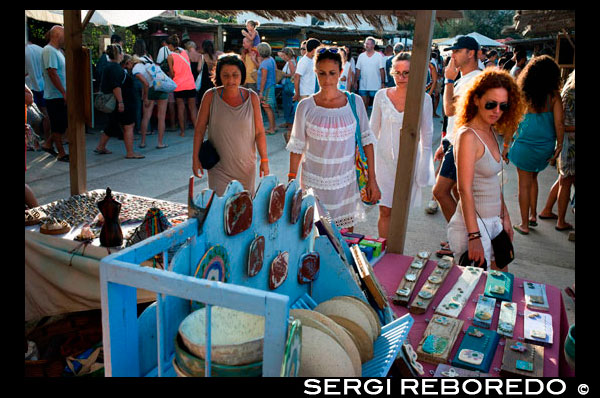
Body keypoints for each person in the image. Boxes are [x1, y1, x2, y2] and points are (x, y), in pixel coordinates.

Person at [286, 46, 381, 230]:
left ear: (341, 72)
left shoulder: (355, 102)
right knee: (313, 235)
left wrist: (372, 181)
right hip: (313, 184)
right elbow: (297, 148)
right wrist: (291, 184)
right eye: (322, 73)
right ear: (315, 72)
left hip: (346, 184)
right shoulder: (305, 106)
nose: (327, 79)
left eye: (332, 73)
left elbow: (367, 142)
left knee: (344, 238)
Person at [448, 68, 526, 270]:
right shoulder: (468, 136)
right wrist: (473, 236)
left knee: (500, 286)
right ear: (475, 100)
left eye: (503, 105)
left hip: (494, 224)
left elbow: (493, 182)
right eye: (491, 104)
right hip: (473, 227)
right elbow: (463, 189)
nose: (497, 111)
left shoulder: (490, 130)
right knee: (474, 294)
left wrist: (505, 218)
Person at [371, 52, 435, 238]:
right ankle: (383, 251)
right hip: (383, 163)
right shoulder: (381, 96)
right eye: (397, 72)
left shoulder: (425, 100)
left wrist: (423, 170)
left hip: (408, 163)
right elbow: (372, 132)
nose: (401, 77)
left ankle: (395, 253)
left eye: (406, 73)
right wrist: (369, 168)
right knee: (385, 211)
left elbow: (427, 137)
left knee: (400, 213)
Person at [431, 35, 482, 257]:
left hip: (463, 144)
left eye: (457, 50)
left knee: (440, 192)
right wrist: (446, 141)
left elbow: (450, 110)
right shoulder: (467, 78)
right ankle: (463, 239)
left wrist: (449, 80)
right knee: (455, 193)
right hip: (456, 141)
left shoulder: (474, 79)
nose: (452, 55)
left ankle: (459, 241)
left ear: (470, 53)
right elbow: (455, 117)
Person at [192, 54, 269, 196]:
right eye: (225, 75)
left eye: (235, 75)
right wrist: (195, 158)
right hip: (218, 168)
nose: (231, 80)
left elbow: (259, 132)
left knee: (243, 209)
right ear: (219, 76)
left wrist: (264, 160)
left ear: (242, 75)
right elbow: (199, 130)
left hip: (246, 168)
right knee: (220, 208)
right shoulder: (210, 96)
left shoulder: (251, 97)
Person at [504, 55, 564, 235]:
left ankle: (524, 225)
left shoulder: (522, 94)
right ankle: (532, 216)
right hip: (544, 148)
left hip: (524, 147)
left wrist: (506, 146)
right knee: (533, 179)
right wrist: (559, 145)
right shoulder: (554, 96)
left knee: (524, 184)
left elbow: (512, 123)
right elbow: (559, 123)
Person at [539, 69, 575, 233]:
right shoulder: (572, 93)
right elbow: (562, 123)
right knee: (566, 181)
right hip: (570, 142)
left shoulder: (568, 89)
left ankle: (547, 209)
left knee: (563, 179)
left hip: (566, 141)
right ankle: (561, 220)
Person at [95, 46, 144, 159]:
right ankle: (130, 152)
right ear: (119, 54)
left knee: (112, 124)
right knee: (129, 126)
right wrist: (121, 102)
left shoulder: (108, 67)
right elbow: (116, 86)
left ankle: (101, 146)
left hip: (115, 102)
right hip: (121, 102)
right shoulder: (115, 68)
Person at [41, 25, 69, 162]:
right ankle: (61, 153)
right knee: (58, 125)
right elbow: (52, 72)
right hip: (55, 95)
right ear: (58, 35)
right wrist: (63, 92)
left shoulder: (58, 51)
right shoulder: (49, 50)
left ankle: (47, 144)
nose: (65, 39)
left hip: (59, 94)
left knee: (62, 124)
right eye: (64, 35)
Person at [132, 55, 168, 149]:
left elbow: (145, 84)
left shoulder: (136, 69)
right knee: (161, 117)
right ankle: (160, 143)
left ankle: (143, 142)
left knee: (146, 116)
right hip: (161, 86)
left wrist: (145, 97)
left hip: (151, 89)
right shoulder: (149, 60)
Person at [166, 34, 197, 138]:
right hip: (190, 83)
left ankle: (183, 131)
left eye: (168, 45)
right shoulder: (185, 52)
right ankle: (197, 130)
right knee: (193, 108)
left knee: (180, 108)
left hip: (179, 85)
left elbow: (172, 73)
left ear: (170, 45)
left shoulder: (170, 57)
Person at [355, 37, 386, 112]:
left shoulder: (378, 56)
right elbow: (358, 70)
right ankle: (364, 121)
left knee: (376, 107)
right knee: (363, 105)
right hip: (363, 85)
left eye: (368, 44)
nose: (366, 45)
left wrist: (383, 83)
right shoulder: (361, 56)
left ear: (373, 45)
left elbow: (382, 70)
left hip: (375, 85)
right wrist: (356, 82)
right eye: (366, 43)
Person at [256, 42, 277, 135]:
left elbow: (263, 79)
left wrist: (260, 92)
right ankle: (273, 126)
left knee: (267, 107)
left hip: (266, 88)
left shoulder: (265, 63)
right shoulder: (271, 59)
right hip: (270, 86)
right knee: (269, 108)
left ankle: (272, 128)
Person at [294, 38, 321, 103]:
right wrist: (297, 93)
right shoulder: (303, 61)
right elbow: (296, 77)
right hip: (304, 94)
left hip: (311, 93)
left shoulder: (312, 60)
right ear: (314, 49)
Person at [278, 47, 297, 135]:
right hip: (290, 86)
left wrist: (283, 75)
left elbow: (293, 74)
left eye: (283, 55)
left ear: (287, 55)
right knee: (289, 104)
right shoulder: (293, 61)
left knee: (288, 104)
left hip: (288, 86)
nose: (282, 57)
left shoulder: (290, 62)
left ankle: (289, 123)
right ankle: (288, 122)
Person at [197, 40, 218, 105]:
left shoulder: (202, 57)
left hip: (205, 81)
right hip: (214, 79)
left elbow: (199, 68)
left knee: (204, 99)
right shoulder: (215, 56)